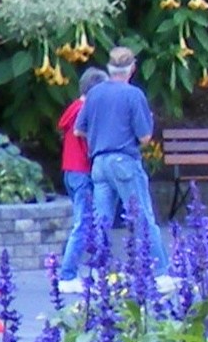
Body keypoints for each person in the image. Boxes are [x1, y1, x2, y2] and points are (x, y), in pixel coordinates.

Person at [62, 46, 173, 292]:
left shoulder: (95, 94)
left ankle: (96, 273)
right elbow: (144, 137)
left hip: (98, 164)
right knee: (143, 216)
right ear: (132, 68)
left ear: (110, 68)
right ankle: (161, 272)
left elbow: (79, 130)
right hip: (124, 162)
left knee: (101, 220)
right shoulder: (133, 95)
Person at [53, 65, 105, 284]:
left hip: (70, 171)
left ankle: (82, 269)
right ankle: (67, 274)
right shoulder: (85, 112)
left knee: (83, 222)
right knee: (82, 224)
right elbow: (87, 144)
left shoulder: (73, 108)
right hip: (83, 172)